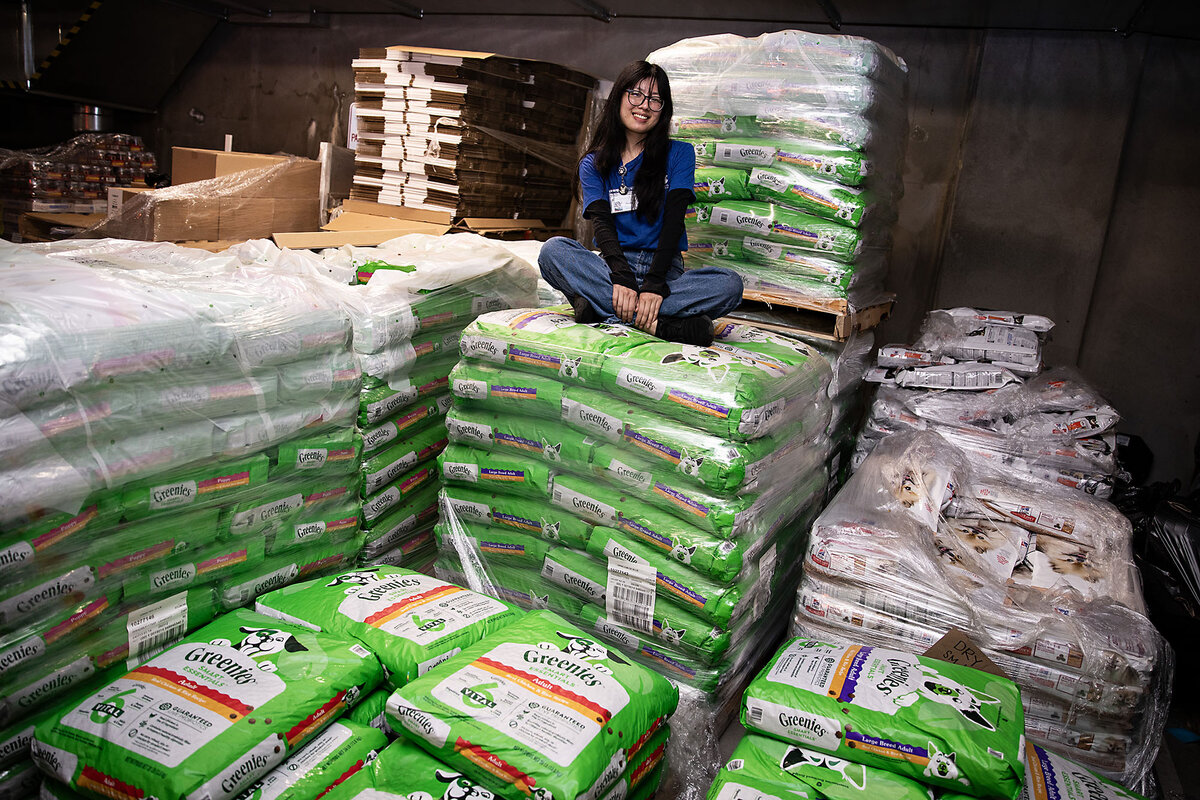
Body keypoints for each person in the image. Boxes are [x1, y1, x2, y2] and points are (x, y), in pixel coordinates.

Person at [538, 60, 743, 346]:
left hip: (665, 271)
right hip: (611, 266)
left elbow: (674, 221)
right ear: (620, 96)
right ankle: (663, 325)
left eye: (655, 100)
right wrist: (621, 277)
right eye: (636, 94)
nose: (644, 106)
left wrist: (655, 285)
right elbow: (602, 224)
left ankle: (602, 309)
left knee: (729, 285)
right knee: (552, 252)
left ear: (664, 109)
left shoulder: (679, 154)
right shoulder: (594, 162)